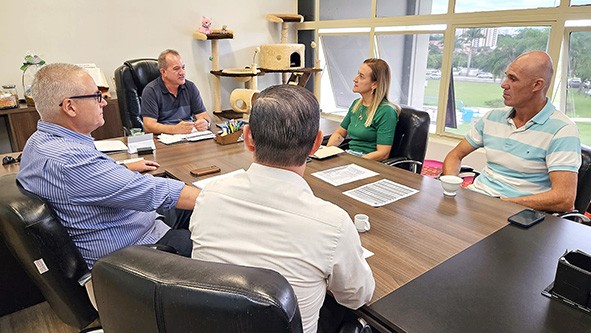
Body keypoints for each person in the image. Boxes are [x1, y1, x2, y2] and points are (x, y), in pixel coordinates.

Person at [189, 85, 375, 333]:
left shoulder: (208, 197)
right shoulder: (334, 224)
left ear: (248, 137)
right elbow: (357, 297)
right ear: (317, 143)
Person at [17, 63, 201, 268]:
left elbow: (87, 180)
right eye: (96, 96)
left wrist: (121, 169)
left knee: (194, 210)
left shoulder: (38, 142)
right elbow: (155, 191)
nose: (104, 102)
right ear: (70, 106)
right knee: (216, 237)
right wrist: (220, 197)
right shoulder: (71, 161)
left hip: (120, 227)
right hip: (134, 251)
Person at [442, 51, 581, 212]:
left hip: (519, 214)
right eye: (506, 76)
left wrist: (502, 203)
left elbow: (564, 198)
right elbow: (455, 155)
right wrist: (451, 184)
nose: (503, 84)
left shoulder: (562, 130)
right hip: (478, 202)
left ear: (537, 85)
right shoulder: (492, 118)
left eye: (512, 79)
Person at [327, 58, 400, 161]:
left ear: (375, 84)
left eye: (361, 76)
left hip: (367, 162)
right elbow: (339, 134)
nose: (355, 79)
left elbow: (383, 153)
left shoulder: (386, 111)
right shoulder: (356, 104)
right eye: (358, 74)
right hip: (350, 155)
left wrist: (357, 162)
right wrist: (327, 151)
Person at [141, 49, 211, 134]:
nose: (182, 72)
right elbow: (148, 126)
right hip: (165, 140)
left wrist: (205, 122)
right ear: (163, 72)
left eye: (183, 67)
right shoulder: (151, 91)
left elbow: (203, 115)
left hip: (190, 136)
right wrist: (174, 129)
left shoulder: (190, 87)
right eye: (176, 69)